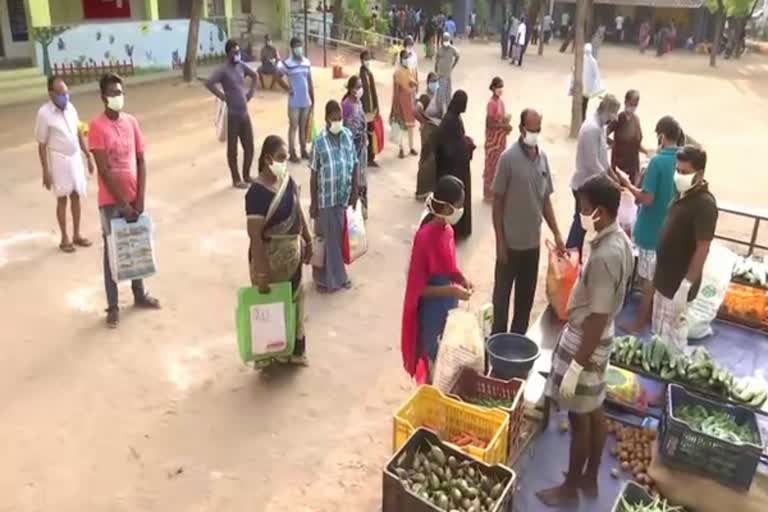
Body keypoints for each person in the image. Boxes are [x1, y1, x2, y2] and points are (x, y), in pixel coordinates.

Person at [538, 175, 634, 507]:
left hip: (588, 337)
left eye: (585, 208)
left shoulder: (607, 254)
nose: (581, 214)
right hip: (599, 334)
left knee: (579, 417)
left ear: (602, 212)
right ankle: (589, 478)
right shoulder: (619, 239)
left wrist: (577, 365)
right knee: (593, 409)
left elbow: (596, 315)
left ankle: (570, 490)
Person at [89, 73, 161, 328]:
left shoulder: (131, 122)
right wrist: (123, 203)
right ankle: (113, 306)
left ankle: (139, 294)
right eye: (112, 93)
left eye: (120, 92)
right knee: (113, 253)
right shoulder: (97, 127)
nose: (117, 97)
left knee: (137, 248)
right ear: (103, 97)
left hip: (134, 197)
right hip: (111, 202)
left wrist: (139, 198)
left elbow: (141, 160)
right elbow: (104, 170)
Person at [492, 108, 565, 335]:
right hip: (510, 245)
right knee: (501, 300)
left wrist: (557, 233)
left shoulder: (542, 159)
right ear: (521, 129)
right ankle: (498, 341)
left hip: (531, 245)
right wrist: (500, 242)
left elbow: (545, 201)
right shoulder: (508, 160)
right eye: (531, 129)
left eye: (537, 129)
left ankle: (516, 342)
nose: (534, 133)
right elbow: (497, 203)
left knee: (525, 300)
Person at [246, 135, 312, 366]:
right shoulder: (256, 192)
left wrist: (308, 239)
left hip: (292, 259)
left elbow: (298, 209)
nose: (285, 163)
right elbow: (254, 235)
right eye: (281, 158)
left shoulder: (287, 181)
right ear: (267, 159)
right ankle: (268, 354)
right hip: (270, 260)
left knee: (294, 302)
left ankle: (293, 350)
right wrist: (261, 271)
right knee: (271, 305)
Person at [401, 176, 473, 383]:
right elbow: (418, 289)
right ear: (447, 207)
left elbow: (449, 267)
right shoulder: (424, 237)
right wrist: (452, 290)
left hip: (448, 304)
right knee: (434, 360)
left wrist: (461, 278)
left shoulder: (448, 231)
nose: (461, 210)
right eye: (459, 206)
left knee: (449, 356)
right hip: (432, 309)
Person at [617, 116, 682, 333]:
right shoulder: (681, 160)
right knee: (657, 278)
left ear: (661, 136)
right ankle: (652, 317)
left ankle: (640, 321)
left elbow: (647, 198)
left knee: (648, 282)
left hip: (651, 231)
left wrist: (627, 183)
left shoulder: (657, 162)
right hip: (671, 230)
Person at [651, 145, 717, 350]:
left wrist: (686, 285)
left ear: (700, 173)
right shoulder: (682, 194)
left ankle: (668, 381)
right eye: (678, 171)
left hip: (677, 286)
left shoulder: (704, 205)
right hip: (663, 280)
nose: (679, 176)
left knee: (672, 342)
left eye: (685, 172)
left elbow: (703, 248)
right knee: (658, 333)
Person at [35, 75, 95, 253]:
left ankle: (77, 234)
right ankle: (64, 238)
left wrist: (87, 156)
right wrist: (45, 170)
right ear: (51, 94)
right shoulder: (44, 114)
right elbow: (42, 145)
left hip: (75, 157)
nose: (64, 96)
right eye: (60, 93)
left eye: (66, 92)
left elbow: (78, 133)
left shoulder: (71, 109)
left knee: (76, 195)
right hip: (58, 159)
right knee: (62, 198)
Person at [310, 100, 359, 293]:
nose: (338, 121)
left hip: (343, 196)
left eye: (340, 118)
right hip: (326, 199)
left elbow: (354, 163)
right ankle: (336, 279)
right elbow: (314, 173)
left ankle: (329, 277)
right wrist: (313, 202)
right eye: (334, 118)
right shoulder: (319, 141)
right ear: (326, 119)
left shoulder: (347, 135)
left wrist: (355, 191)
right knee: (328, 240)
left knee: (339, 239)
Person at [566, 94, 621, 254]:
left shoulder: (600, 127)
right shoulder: (591, 129)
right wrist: (609, 182)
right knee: (581, 222)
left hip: (592, 182)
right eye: (612, 115)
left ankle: (574, 254)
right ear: (606, 111)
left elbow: (603, 159)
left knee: (584, 223)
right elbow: (592, 163)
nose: (613, 119)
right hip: (584, 184)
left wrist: (613, 175)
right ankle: (571, 253)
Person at [206, 39, 258, 188]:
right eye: (234, 52)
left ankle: (247, 175)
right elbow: (209, 83)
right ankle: (236, 179)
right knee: (233, 148)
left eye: (238, 51)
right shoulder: (223, 70)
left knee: (249, 146)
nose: (237, 54)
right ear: (228, 54)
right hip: (233, 114)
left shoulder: (241, 66)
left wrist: (250, 94)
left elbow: (255, 76)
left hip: (244, 113)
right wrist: (222, 96)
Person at [435, 91, 475, 240]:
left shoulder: (455, 118)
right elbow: (447, 149)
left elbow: (458, 139)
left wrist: (466, 142)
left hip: (458, 166)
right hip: (451, 169)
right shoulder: (449, 120)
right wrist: (466, 147)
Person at [279, 37, 314, 163]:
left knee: (303, 126)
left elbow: (309, 81)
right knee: (293, 126)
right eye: (296, 46)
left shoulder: (306, 62)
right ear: (292, 49)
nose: (299, 49)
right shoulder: (287, 63)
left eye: (300, 46)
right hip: (294, 101)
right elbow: (278, 76)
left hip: (305, 100)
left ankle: (303, 150)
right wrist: (287, 88)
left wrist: (312, 97)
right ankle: (292, 152)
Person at [342, 75, 369, 217]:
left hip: (362, 145)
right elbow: (344, 127)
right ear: (351, 89)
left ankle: (362, 207)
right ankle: (352, 207)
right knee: (353, 176)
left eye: (361, 87)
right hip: (352, 146)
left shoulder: (359, 103)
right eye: (357, 87)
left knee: (362, 176)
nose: (360, 90)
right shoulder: (346, 105)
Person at [415, 73, 445, 200]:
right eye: (433, 81)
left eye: (437, 80)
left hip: (437, 131)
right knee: (427, 159)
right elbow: (416, 110)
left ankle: (431, 188)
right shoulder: (425, 97)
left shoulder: (438, 96)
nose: (435, 83)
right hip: (428, 132)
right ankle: (422, 190)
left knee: (435, 161)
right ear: (428, 83)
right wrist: (424, 122)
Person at [607, 89, 647, 185]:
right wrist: (612, 143)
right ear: (625, 102)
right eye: (630, 104)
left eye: (635, 105)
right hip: (619, 164)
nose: (632, 107)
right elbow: (603, 133)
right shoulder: (618, 118)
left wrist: (646, 151)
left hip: (633, 165)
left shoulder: (636, 120)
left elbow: (637, 143)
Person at [483, 77, 512, 201]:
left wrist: (506, 126)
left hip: (500, 140)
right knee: (491, 165)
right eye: (498, 87)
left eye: (502, 87)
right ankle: (488, 193)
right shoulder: (491, 104)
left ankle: (497, 192)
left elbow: (502, 118)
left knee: (499, 166)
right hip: (493, 141)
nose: (500, 90)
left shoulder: (501, 102)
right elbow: (489, 123)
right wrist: (503, 126)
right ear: (493, 88)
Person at [390, 50, 418, 159]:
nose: (407, 59)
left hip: (410, 101)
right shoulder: (397, 73)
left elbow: (415, 84)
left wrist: (414, 89)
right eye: (405, 57)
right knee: (401, 126)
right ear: (401, 59)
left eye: (408, 57)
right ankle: (401, 148)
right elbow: (396, 91)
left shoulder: (411, 70)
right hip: (401, 102)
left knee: (411, 126)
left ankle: (411, 147)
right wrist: (395, 105)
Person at [359, 50, 380, 168]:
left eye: (369, 58)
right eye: (366, 59)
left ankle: (371, 157)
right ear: (361, 61)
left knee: (372, 134)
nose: (368, 61)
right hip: (365, 110)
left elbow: (374, 92)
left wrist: (377, 107)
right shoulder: (361, 75)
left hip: (372, 109)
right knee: (366, 134)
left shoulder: (369, 73)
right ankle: (367, 157)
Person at [434, 34, 460, 112]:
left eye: (446, 40)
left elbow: (457, 56)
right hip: (440, 74)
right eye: (444, 40)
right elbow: (436, 60)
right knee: (440, 93)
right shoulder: (440, 49)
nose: (445, 41)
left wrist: (453, 66)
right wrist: (436, 69)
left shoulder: (452, 49)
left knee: (448, 92)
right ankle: (440, 109)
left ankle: (448, 108)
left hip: (448, 74)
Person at [580, 43, 603, 122]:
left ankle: (581, 118)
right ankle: (582, 118)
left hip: (581, 86)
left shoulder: (581, 60)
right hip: (587, 88)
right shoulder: (593, 61)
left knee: (581, 104)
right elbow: (596, 74)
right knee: (584, 104)